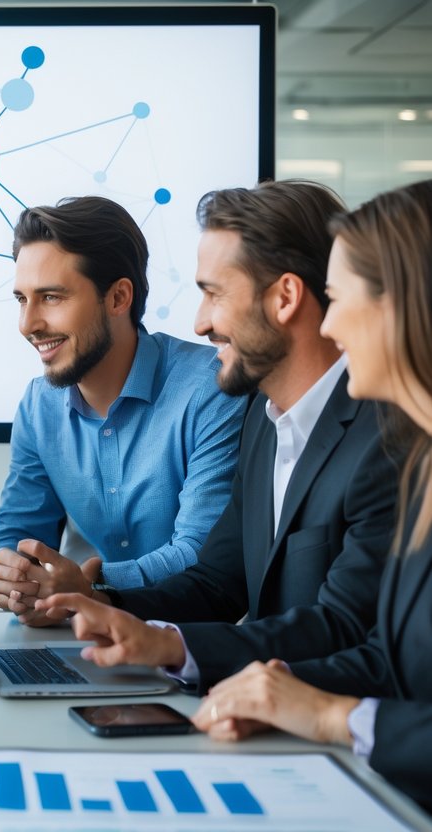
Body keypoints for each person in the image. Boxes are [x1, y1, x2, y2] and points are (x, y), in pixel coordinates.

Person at [33, 180, 398, 691]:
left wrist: (177, 648)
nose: (200, 323)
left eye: (213, 293)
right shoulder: (262, 420)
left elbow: (343, 628)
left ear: (284, 298)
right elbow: (220, 582)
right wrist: (109, 607)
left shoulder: (386, 441)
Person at [189, 179, 432, 811]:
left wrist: (335, 718)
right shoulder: (425, 468)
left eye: (339, 297)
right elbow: (388, 657)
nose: (332, 322)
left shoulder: (392, 450)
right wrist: (273, 690)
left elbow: (356, 638)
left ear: (402, 307)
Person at [0, 195, 245, 621]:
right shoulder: (39, 405)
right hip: (81, 640)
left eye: (51, 297)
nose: (27, 324)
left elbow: (201, 553)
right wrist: (17, 579)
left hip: (188, 645)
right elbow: (17, 531)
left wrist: (91, 586)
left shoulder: (211, 388)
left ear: (118, 297)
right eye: (21, 299)